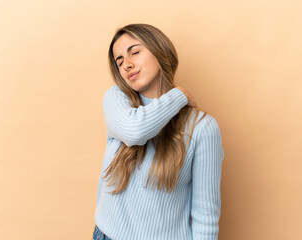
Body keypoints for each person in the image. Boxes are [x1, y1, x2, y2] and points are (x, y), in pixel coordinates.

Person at [92, 23, 224, 240]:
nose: (127, 65)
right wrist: (179, 95)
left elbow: (205, 216)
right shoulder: (116, 100)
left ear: (159, 50)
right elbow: (136, 131)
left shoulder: (202, 128)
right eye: (120, 61)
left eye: (134, 52)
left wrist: (176, 97)